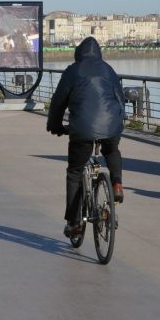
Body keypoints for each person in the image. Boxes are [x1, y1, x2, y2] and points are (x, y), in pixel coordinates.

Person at [46, 37, 125, 240]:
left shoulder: (73, 70)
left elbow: (58, 101)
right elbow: (119, 97)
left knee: (74, 171)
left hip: (82, 127)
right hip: (111, 123)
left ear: (79, 53)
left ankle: (74, 223)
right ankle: (117, 184)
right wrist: (118, 123)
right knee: (111, 149)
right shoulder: (108, 69)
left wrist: (54, 125)